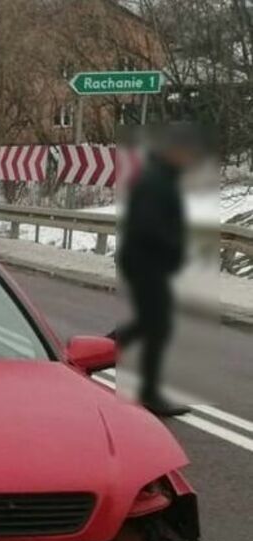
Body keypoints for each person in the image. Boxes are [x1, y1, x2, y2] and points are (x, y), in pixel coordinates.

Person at [110, 125, 204, 418]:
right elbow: (150, 227)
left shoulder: (163, 178)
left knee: (149, 324)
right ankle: (149, 392)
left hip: (148, 262)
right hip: (145, 262)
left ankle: (99, 351)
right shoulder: (155, 181)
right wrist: (176, 246)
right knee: (157, 326)